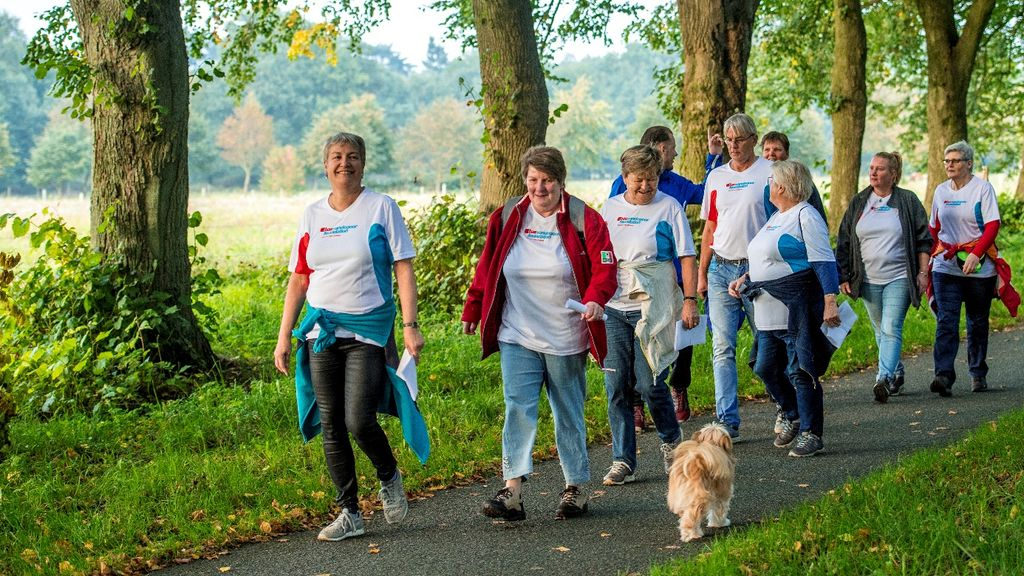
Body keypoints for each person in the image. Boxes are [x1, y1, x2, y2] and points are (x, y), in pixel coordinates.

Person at [273, 132, 427, 542]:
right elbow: (300, 277)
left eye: (353, 156)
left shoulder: (381, 208)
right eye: (337, 157)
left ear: (363, 164)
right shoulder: (312, 214)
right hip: (321, 331)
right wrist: (284, 335)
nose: (345, 163)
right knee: (331, 423)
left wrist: (410, 326)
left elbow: (404, 267)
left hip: (368, 328)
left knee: (358, 419)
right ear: (326, 165)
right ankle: (350, 514)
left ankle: (389, 473)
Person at [461, 146, 617, 521]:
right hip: (517, 331)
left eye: (547, 180)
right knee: (518, 407)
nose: (539, 187)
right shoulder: (508, 215)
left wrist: (596, 299)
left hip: (565, 335)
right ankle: (512, 491)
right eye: (533, 180)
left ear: (560, 181)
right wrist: (474, 305)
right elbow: (489, 265)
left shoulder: (583, 218)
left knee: (567, 411)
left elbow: (605, 266)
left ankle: (575, 487)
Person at [600, 145, 700, 486]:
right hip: (615, 306)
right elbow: (600, 256)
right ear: (625, 177)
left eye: (652, 179)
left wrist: (690, 300)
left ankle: (672, 441)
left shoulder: (669, 207)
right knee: (616, 385)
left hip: (655, 302)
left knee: (650, 382)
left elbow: (687, 255)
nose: (646, 186)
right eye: (639, 179)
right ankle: (622, 460)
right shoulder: (610, 208)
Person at [610, 126, 723, 426]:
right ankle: (636, 404)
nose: (677, 153)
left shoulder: (675, 187)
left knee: (680, 339)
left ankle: (678, 387)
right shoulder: (618, 192)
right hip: (631, 289)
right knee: (636, 349)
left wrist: (713, 159)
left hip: (673, 277)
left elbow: (706, 193)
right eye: (673, 147)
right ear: (660, 149)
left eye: (652, 180)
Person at [728, 160, 840, 457]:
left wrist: (831, 299)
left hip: (795, 307)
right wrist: (746, 278)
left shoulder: (806, 215)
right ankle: (792, 413)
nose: (768, 186)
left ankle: (811, 433)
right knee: (765, 366)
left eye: (771, 181)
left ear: (782, 186)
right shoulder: (777, 216)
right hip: (766, 310)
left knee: (801, 369)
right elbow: (765, 259)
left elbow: (823, 259)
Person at [698, 113, 774, 440]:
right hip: (720, 267)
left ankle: (786, 407)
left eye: (740, 139)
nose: (733, 145)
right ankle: (727, 421)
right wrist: (701, 274)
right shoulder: (717, 176)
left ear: (753, 139)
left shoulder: (770, 172)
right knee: (722, 347)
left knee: (769, 343)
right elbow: (709, 227)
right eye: (729, 139)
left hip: (758, 270)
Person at [836, 152, 931, 403]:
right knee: (880, 330)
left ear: (893, 174)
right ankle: (896, 373)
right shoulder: (859, 202)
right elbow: (844, 241)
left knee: (890, 327)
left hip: (899, 276)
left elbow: (924, 240)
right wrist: (843, 275)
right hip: (867, 279)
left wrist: (923, 273)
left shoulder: (907, 201)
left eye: (880, 169)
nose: (873, 173)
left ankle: (883, 378)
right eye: (871, 168)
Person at [927, 140, 1018, 396]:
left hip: (979, 269)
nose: (950, 165)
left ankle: (977, 373)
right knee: (946, 320)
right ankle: (943, 375)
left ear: (969, 163)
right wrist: (931, 258)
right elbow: (934, 227)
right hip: (946, 267)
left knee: (977, 322)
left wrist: (976, 255)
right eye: (947, 161)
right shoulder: (941, 191)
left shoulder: (982, 189)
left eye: (955, 160)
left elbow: (992, 225)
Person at [760, 131, 828, 224]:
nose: (771, 153)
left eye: (777, 149)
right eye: (767, 150)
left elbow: (818, 216)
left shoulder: (800, 181)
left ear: (787, 153)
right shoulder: (760, 182)